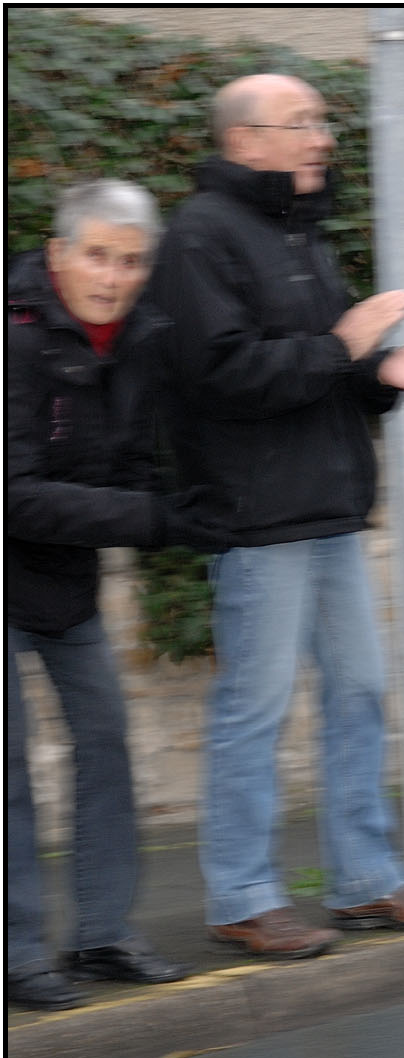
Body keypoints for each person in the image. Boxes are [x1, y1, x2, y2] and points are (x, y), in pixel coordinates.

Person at [146, 74, 404, 960]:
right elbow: (222, 375)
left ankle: (365, 880)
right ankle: (242, 895)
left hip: (326, 507)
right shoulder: (200, 238)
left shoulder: (299, 232)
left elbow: (324, 368)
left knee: (359, 692)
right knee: (254, 709)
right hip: (256, 518)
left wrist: (381, 377)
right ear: (245, 140)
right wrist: (343, 346)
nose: (322, 137)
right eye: (303, 124)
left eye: (323, 122)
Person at [6, 182, 230, 1009]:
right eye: (97, 256)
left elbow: (133, 459)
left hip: (60, 578)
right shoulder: (16, 337)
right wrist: (153, 517)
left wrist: (185, 503)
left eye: (132, 261)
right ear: (59, 254)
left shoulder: (136, 340)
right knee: (9, 771)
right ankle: (17, 951)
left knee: (105, 742)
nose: (113, 276)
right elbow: (14, 489)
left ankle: (102, 934)